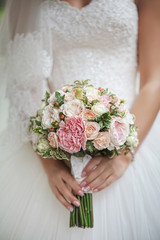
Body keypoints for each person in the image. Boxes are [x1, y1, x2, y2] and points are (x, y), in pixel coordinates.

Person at [0, 0, 160, 239]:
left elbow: (154, 79)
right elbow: (26, 85)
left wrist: (124, 155)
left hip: (133, 139)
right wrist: (51, 164)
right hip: (52, 147)